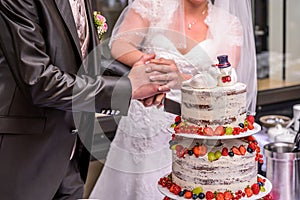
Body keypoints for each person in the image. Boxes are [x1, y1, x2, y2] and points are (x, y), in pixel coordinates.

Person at [0, 0, 180, 199]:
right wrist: (127, 88)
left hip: (72, 158)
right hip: (27, 156)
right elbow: (39, 82)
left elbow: (84, 63)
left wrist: (143, 79)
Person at [90, 0, 257, 199]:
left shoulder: (228, 24)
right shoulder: (153, 4)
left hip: (192, 128)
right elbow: (120, 44)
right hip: (143, 124)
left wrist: (181, 79)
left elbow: (224, 79)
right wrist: (158, 68)